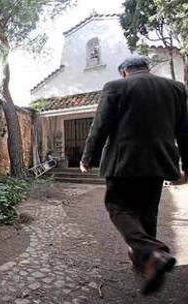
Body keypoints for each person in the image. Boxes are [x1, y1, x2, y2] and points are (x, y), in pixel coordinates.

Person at [80, 56, 188, 295]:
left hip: (123, 162)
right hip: (158, 162)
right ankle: (147, 265)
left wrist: (88, 158)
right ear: (146, 68)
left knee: (118, 207)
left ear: (124, 72)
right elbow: (184, 131)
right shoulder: (176, 88)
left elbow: (100, 127)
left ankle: (152, 252)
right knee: (148, 212)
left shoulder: (115, 87)